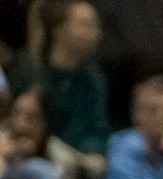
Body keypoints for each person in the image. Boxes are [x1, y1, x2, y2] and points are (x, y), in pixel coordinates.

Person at [13, 0, 110, 166]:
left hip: (78, 163)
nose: (94, 33)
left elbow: (98, 130)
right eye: (85, 25)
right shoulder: (28, 69)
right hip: (30, 159)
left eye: (95, 26)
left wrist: (84, 153)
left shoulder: (93, 79)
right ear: (59, 29)